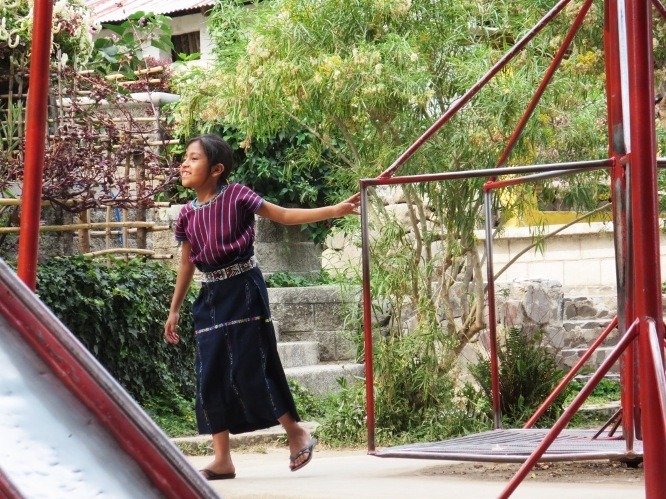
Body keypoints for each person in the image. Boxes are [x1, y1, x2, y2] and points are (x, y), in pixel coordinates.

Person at [163, 134, 360, 480]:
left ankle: (295, 432)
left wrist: (335, 210)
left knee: (250, 366)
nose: (184, 163)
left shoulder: (237, 195)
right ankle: (222, 458)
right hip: (209, 297)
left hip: (244, 289)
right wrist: (175, 309)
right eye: (184, 158)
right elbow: (186, 264)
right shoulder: (186, 215)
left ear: (216, 169)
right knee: (211, 373)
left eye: (193, 158)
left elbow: (282, 215)